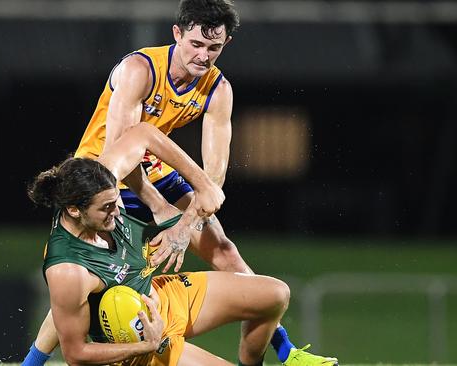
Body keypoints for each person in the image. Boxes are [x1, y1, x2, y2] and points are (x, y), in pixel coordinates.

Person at [23, 0, 338, 365]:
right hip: (103, 178)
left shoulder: (219, 90)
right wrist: (161, 208)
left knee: (224, 250)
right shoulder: (139, 69)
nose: (203, 56)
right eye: (196, 44)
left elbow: (213, 181)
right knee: (82, 276)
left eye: (213, 48)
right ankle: (32, 362)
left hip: (154, 168)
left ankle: (285, 352)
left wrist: (184, 224)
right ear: (177, 34)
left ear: (226, 45)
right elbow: (123, 147)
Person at [27, 123, 337, 366]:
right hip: (141, 340)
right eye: (106, 208)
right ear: (73, 210)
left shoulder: (96, 183)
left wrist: (181, 193)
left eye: (116, 200)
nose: (117, 210)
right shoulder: (68, 269)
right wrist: (146, 344)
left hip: (163, 295)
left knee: (275, 294)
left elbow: (143, 133)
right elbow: (76, 354)